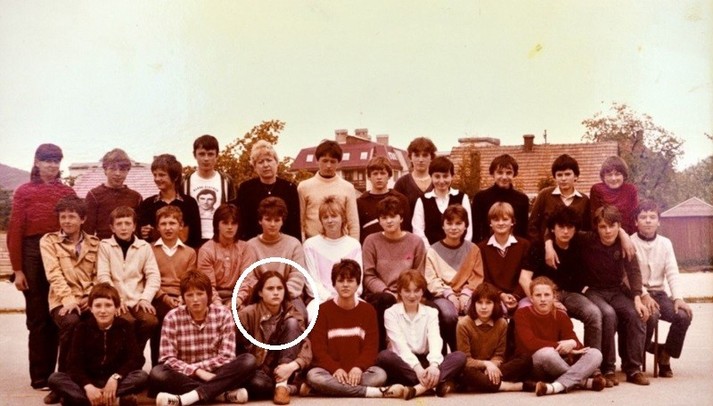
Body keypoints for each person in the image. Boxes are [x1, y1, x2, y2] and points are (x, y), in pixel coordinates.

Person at [7, 144, 76, 394]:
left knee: (58, 313)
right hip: (32, 254)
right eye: (47, 161)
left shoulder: (67, 191)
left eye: (56, 161)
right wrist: (18, 270)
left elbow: (75, 224)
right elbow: (15, 231)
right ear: (37, 162)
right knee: (38, 317)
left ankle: (59, 375)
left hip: (60, 251)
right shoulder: (24, 191)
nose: (52, 165)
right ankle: (40, 377)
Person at [150, 271, 257, 406]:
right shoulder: (172, 317)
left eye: (200, 294)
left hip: (216, 372)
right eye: (189, 295)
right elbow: (167, 358)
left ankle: (188, 398)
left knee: (248, 360)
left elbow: (227, 356)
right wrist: (197, 371)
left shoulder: (223, 314)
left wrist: (201, 370)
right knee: (157, 373)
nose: (195, 299)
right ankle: (221, 394)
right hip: (185, 374)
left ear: (209, 295)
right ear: (183, 298)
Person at [303, 259, 405, 399]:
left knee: (380, 375)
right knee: (314, 376)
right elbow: (319, 349)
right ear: (334, 284)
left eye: (350, 281)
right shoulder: (322, 310)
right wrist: (335, 369)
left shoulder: (368, 310)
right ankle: (371, 392)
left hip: (359, 373)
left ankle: (322, 390)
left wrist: (358, 367)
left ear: (357, 284)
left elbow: (371, 348)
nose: (345, 285)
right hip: (331, 372)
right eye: (340, 281)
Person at [40, 195, 100, 404]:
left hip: (89, 300)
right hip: (62, 301)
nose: (66, 221)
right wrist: (69, 299)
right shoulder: (49, 241)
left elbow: (98, 274)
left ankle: (91, 381)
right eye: (63, 217)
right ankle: (61, 384)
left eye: (72, 216)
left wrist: (90, 297)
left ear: (83, 219)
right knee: (72, 323)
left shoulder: (95, 243)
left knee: (100, 324)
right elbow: (53, 273)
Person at [47, 283, 148, 406]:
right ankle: (114, 401)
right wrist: (88, 386)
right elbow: (73, 364)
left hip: (114, 381)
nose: (103, 311)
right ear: (91, 308)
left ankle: (82, 401)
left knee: (141, 376)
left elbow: (136, 359)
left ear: (117, 308)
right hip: (89, 380)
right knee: (55, 378)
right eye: (98, 306)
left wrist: (115, 378)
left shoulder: (124, 326)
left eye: (108, 305)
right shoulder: (82, 328)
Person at [582, 206, 650, 386]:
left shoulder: (625, 244)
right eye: (603, 226)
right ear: (596, 227)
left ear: (619, 226)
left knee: (636, 314)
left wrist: (637, 298)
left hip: (616, 291)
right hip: (594, 290)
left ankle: (633, 368)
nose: (607, 231)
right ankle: (608, 368)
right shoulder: (587, 240)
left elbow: (634, 272)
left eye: (612, 226)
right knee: (608, 314)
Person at [376, 270, 466, 400]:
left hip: (426, 361)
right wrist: (417, 369)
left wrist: (434, 365)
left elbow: (435, 339)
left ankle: (419, 388)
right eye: (407, 291)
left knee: (459, 357)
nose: (412, 295)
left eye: (416, 290)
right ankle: (435, 384)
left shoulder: (431, 312)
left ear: (422, 291)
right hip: (404, 363)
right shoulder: (390, 313)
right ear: (400, 291)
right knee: (384, 356)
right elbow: (400, 346)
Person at [514, 277, 606, 396]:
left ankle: (554, 387)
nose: (543, 299)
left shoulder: (560, 315)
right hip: (536, 364)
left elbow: (576, 343)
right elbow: (530, 343)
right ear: (531, 298)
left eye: (547, 295)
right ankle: (583, 382)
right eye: (538, 295)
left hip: (558, 363)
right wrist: (560, 346)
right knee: (547, 353)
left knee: (595, 353)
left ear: (554, 297)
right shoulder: (522, 314)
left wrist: (573, 343)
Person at [631, 199, 693, 377]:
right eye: (643, 217)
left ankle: (665, 355)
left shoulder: (665, 243)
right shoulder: (630, 242)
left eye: (652, 217)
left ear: (659, 221)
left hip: (659, 294)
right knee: (650, 316)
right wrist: (643, 294)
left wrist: (678, 298)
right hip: (638, 294)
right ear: (636, 221)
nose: (648, 221)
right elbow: (629, 274)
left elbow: (672, 272)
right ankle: (647, 349)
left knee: (683, 315)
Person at [529, 206, 602, 350]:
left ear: (575, 229)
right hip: (546, 295)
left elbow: (602, 233)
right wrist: (541, 298)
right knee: (556, 316)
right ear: (552, 229)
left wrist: (623, 234)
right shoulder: (539, 246)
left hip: (571, 295)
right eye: (561, 227)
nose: (566, 231)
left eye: (570, 227)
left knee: (594, 313)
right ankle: (556, 357)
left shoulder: (580, 243)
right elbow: (524, 278)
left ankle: (592, 357)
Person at [238, 271, 312, 405]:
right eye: (270, 288)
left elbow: (305, 344)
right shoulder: (247, 314)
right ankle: (290, 388)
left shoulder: (292, 311)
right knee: (257, 383)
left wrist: (291, 366)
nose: (276, 293)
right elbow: (237, 350)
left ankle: (282, 386)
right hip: (259, 370)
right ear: (260, 292)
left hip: (285, 366)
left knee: (292, 323)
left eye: (279, 288)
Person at [362, 196, 426, 350]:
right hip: (380, 294)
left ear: (401, 218)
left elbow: (418, 275)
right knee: (385, 300)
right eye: (384, 218)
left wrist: (404, 294)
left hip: (409, 292)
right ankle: (380, 351)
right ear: (379, 221)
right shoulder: (371, 241)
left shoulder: (416, 242)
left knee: (434, 309)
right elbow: (369, 275)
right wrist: (386, 291)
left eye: (393, 216)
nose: (389, 221)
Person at [97, 206, 160, 359]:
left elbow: (153, 276)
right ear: (112, 227)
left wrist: (145, 298)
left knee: (150, 321)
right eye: (119, 224)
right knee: (128, 323)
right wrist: (116, 300)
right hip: (115, 300)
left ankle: (133, 357)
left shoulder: (144, 247)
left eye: (127, 223)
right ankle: (130, 359)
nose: (123, 228)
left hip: (137, 299)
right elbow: (103, 276)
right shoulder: (105, 246)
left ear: (134, 226)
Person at [425, 204, 484, 353]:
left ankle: (476, 352)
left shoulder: (473, 249)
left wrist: (466, 293)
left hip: (468, 294)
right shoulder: (433, 250)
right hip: (442, 295)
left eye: (458, 223)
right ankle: (454, 351)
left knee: (476, 311)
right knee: (449, 314)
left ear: (465, 226)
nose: (453, 227)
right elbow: (431, 279)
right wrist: (449, 294)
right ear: (443, 226)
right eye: (449, 223)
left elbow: (477, 276)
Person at [456, 282, 532, 392]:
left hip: (495, 367)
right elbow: (466, 359)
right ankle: (512, 386)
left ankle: (485, 383)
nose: (483, 307)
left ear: (495, 304)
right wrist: (486, 364)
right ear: (474, 304)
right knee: (465, 372)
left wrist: (492, 366)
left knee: (525, 359)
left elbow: (499, 355)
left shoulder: (501, 323)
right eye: (479, 302)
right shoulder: (464, 324)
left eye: (488, 303)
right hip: (473, 368)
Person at [245, 197, 308, 319]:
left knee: (300, 316)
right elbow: (248, 278)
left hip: (289, 297)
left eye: (277, 220)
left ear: (282, 221)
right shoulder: (250, 246)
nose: (272, 224)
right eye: (268, 219)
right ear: (260, 221)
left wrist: (280, 295)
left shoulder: (294, 244)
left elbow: (297, 276)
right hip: (259, 297)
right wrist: (265, 295)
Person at [150, 205, 198, 366]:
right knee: (160, 319)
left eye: (172, 223)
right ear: (157, 227)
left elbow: (189, 280)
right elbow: (148, 279)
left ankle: (183, 365)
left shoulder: (189, 252)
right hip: (158, 296)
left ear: (181, 226)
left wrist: (182, 297)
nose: (168, 228)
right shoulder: (149, 249)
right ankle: (159, 367)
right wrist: (164, 297)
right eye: (163, 224)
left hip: (182, 297)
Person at [233, 139, 301, 242]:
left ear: (276, 163)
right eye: (260, 162)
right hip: (253, 244)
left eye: (269, 160)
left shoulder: (290, 188)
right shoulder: (246, 188)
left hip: (283, 244)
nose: (265, 165)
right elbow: (242, 222)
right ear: (255, 167)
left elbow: (294, 223)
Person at [303, 196, 363, 307]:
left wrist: (344, 299)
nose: (330, 221)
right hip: (321, 300)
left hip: (350, 298)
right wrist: (330, 298)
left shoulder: (354, 245)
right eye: (325, 217)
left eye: (334, 216)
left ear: (343, 218)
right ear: (321, 221)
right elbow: (312, 281)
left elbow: (358, 281)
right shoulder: (310, 245)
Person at [477, 202, 533, 314]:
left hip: (520, 296)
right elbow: (484, 278)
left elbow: (526, 277)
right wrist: (501, 295)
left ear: (512, 222)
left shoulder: (525, 245)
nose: (501, 223)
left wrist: (516, 296)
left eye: (505, 219)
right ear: (490, 223)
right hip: (493, 296)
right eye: (496, 220)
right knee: (498, 310)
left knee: (527, 312)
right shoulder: (481, 248)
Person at [297, 140, 359, 240]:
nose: (329, 165)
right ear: (317, 160)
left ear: (338, 162)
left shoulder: (348, 187)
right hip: (312, 243)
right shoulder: (304, 187)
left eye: (333, 161)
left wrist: (353, 245)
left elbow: (353, 223)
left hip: (340, 243)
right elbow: (300, 221)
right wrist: (303, 243)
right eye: (325, 161)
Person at [197, 204, 257, 307]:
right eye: (225, 223)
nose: (230, 227)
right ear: (217, 225)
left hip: (239, 298)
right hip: (212, 299)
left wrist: (237, 301)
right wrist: (219, 306)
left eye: (234, 223)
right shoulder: (206, 250)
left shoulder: (246, 248)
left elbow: (247, 280)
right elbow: (207, 285)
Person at [138, 154, 201, 248]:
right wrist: (144, 233)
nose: (157, 179)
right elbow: (141, 239)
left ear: (175, 177)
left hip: (183, 254)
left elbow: (195, 238)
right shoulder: (147, 204)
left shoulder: (189, 203)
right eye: (155, 175)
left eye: (162, 175)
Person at [183, 135, 237, 242]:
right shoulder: (185, 181)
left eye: (210, 154)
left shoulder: (226, 181)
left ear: (217, 155)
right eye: (202, 154)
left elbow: (233, 211)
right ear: (195, 155)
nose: (206, 159)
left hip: (220, 239)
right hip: (192, 240)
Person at [527, 154, 590, 243]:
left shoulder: (584, 200)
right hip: (546, 248)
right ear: (555, 177)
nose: (563, 178)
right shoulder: (544, 195)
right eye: (559, 175)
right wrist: (540, 246)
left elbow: (587, 230)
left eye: (567, 174)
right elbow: (532, 225)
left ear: (576, 176)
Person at [412, 156, 473, 247]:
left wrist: (461, 250)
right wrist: (430, 251)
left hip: (459, 251)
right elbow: (418, 230)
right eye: (437, 176)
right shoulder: (422, 200)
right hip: (431, 252)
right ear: (431, 177)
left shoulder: (462, 197)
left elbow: (468, 228)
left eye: (445, 176)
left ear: (452, 176)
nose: (441, 181)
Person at [84, 148, 143, 239]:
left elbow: (139, 231)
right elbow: (88, 231)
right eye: (113, 169)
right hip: (102, 245)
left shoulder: (136, 197)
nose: (117, 173)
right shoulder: (94, 195)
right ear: (105, 170)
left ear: (128, 171)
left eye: (122, 169)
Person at [471, 154, 529, 243]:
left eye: (508, 173)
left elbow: (523, 231)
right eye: (500, 172)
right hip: (487, 247)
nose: (504, 177)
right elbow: (476, 230)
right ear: (492, 174)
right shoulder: (480, 198)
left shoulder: (522, 199)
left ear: (514, 174)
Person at [356, 156, 410, 243]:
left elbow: (407, 229)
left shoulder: (401, 199)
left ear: (389, 176)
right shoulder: (360, 202)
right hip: (370, 248)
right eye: (375, 174)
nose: (379, 177)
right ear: (369, 177)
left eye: (382, 173)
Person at [393, 137, 437, 232]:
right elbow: (394, 213)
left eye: (425, 155)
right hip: (408, 235)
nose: (420, 159)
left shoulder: (439, 182)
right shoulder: (401, 183)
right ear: (410, 157)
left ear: (431, 157)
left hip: (435, 235)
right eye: (416, 155)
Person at [589, 156, 638, 234]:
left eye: (617, 174)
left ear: (624, 175)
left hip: (628, 234)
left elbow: (634, 217)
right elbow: (595, 219)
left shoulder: (630, 189)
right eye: (609, 175)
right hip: (605, 234)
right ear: (603, 176)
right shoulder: (597, 189)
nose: (613, 178)